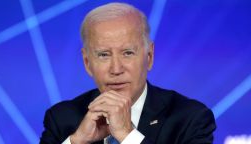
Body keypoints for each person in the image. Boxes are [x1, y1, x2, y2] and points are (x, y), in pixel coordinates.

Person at [40, 2, 216, 144]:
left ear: (150, 56)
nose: (116, 69)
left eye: (128, 53)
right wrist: (77, 141)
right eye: (103, 55)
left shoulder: (190, 118)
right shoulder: (61, 119)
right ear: (87, 63)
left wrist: (127, 135)